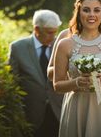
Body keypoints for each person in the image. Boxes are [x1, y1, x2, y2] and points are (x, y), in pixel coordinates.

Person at [53, 0, 101, 136]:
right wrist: (76, 82)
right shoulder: (65, 44)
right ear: (78, 12)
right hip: (77, 107)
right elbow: (57, 85)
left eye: (96, 10)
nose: (91, 14)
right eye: (86, 10)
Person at [9, 9, 63, 137]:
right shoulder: (17, 48)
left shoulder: (60, 45)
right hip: (31, 116)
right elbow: (12, 83)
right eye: (49, 33)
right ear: (37, 29)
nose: (53, 37)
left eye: (55, 32)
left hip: (59, 113)